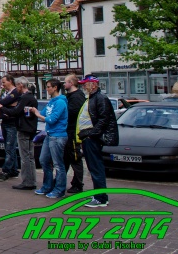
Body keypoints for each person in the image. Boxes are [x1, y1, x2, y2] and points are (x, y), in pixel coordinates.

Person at [77, 74, 118, 208]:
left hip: (92, 138)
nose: (84, 86)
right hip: (89, 137)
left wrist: (90, 133)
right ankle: (99, 194)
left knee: (96, 167)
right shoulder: (93, 98)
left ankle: (101, 198)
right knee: (94, 167)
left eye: (86, 84)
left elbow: (103, 120)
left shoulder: (100, 98)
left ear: (93, 84)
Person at [0, 77, 38, 190]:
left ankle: (27, 181)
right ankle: (30, 180)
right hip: (29, 128)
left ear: (20, 85)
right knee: (29, 157)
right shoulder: (31, 97)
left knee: (25, 156)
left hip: (23, 129)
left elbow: (15, 111)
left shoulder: (24, 98)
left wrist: (2, 108)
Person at [31, 78, 68, 198]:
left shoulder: (61, 102)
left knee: (58, 164)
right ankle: (47, 186)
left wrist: (38, 115)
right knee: (43, 160)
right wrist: (35, 111)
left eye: (48, 87)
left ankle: (59, 189)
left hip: (58, 135)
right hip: (49, 134)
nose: (47, 89)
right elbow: (44, 113)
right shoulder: (51, 101)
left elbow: (52, 119)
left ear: (55, 88)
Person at [0, 75, 20, 182]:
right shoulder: (6, 93)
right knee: (9, 147)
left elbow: (3, 103)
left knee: (9, 148)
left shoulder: (15, 92)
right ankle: (14, 169)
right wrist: (1, 102)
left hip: (11, 123)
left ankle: (6, 171)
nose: (2, 85)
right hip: (5, 121)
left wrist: (1, 102)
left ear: (10, 81)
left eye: (4, 82)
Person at [63, 74, 86, 194]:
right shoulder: (71, 96)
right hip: (69, 131)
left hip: (73, 132)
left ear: (71, 83)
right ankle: (63, 181)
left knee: (75, 157)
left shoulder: (76, 97)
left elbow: (72, 113)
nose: (64, 84)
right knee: (66, 157)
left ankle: (78, 184)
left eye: (66, 82)